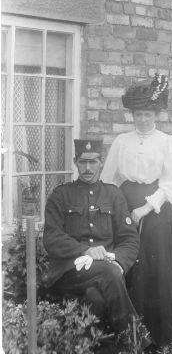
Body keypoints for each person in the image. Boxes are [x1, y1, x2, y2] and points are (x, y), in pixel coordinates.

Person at [100, 73, 172, 353]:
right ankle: (127, 334)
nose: (143, 119)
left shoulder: (166, 142)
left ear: (156, 114)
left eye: (148, 114)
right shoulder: (122, 141)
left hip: (156, 211)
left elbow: (171, 184)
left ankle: (158, 336)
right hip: (124, 207)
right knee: (127, 266)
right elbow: (109, 179)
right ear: (133, 115)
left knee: (154, 270)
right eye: (138, 114)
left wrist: (144, 208)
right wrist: (117, 208)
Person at [43, 138, 140, 335]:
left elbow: (129, 238)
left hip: (106, 271)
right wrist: (85, 250)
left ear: (102, 162)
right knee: (109, 273)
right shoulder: (61, 195)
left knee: (95, 296)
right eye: (83, 162)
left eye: (93, 161)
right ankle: (135, 340)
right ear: (75, 162)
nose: (88, 168)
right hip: (70, 272)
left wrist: (118, 262)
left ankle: (92, 345)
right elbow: (51, 237)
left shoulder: (114, 195)